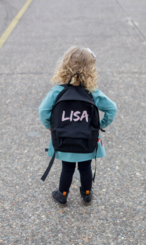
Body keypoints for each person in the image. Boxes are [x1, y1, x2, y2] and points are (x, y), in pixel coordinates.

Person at [38, 46, 117, 206]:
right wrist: (100, 125)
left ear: (64, 66)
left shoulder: (57, 92)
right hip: (86, 141)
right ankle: (86, 194)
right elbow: (112, 108)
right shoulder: (93, 93)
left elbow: (43, 111)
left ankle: (63, 194)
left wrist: (50, 127)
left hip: (64, 140)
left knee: (67, 168)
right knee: (85, 167)